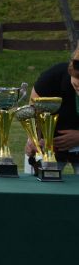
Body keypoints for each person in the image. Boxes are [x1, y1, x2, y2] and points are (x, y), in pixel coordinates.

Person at [24, 44, 79, 172]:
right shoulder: (52, 77)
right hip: (48, 144)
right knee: (39, 180)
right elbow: (33, 110)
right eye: (76, 82)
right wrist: (33, 139)